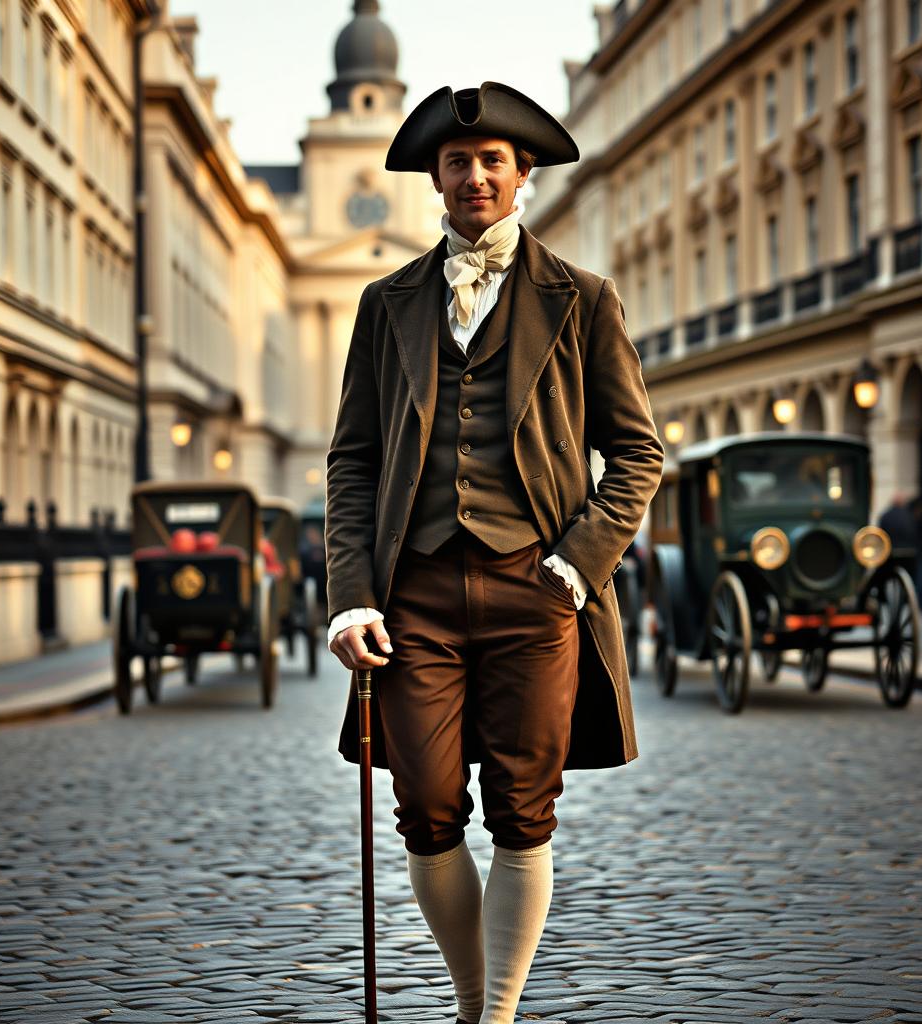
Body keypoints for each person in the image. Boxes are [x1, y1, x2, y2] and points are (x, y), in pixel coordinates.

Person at [324, 82, 663, 1024]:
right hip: (414, 596)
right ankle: (474, 998)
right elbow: (351, 459)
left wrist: (577, 563)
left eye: (492, 162)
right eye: (458, 161)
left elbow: (638, 452)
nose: (474, 175)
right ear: (436, 176)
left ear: (522, 177)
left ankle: (492, 1016)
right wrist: (350, 595)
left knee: (524, 810)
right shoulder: (383, 303)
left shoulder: (584, 301)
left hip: (538, 591)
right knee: (427, 807)